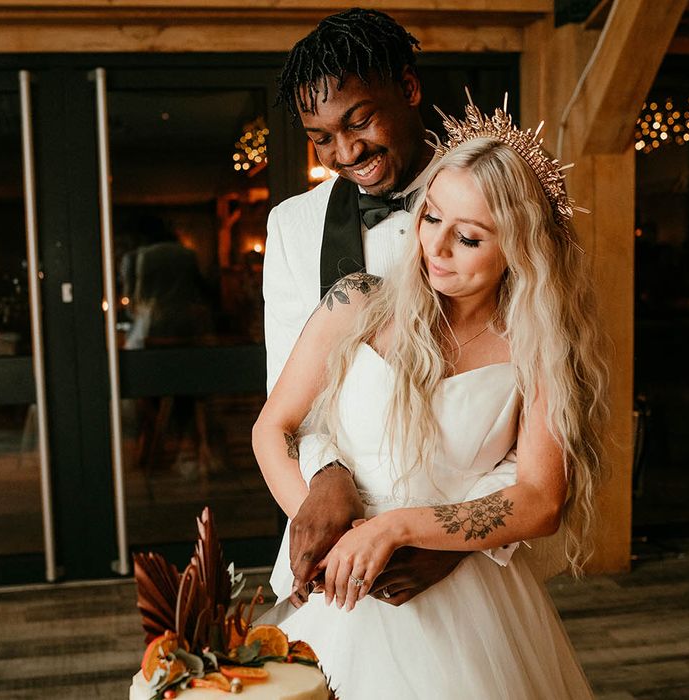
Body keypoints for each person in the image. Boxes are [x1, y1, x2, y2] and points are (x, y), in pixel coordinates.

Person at [253, 97, 607, 698]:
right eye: (430, 217)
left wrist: (399, 529)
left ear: (521, 249)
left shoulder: (539, 347)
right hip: (340, 590)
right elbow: (272, 428)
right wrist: (324, 530)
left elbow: (542, 498)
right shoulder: (357, 302)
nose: (435, 248)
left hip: (462, 599)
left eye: (467, 238)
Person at [264, 7, 522, 609]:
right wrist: (326, 478)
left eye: (360, 121)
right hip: (337, 546)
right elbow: (288, 396)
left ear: (407, 88)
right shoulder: (293, 227)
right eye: (321, 137)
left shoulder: (493, 203)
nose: (346, 150)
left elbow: (525, 391)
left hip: (464, 557)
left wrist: (456, 539)